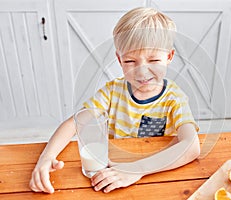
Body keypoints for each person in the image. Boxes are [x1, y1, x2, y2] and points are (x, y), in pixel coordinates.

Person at [29, 7, 200, 194]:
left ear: (169, 57)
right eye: (130, 62)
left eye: (153, 60)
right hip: (111, 173)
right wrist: (46, 157)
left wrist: (136, 169)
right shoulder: (112, 92)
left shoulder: (174, 98)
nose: (142, 72)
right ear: (119, 60)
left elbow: (191, 146)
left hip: (155, 176)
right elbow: (74, 124)